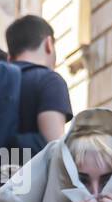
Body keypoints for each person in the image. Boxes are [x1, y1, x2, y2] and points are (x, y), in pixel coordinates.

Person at [5, 15, 73, 152]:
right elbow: (55, 147)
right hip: (26, 172)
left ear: (9, 56)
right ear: (48, 44)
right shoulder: (49, 81)